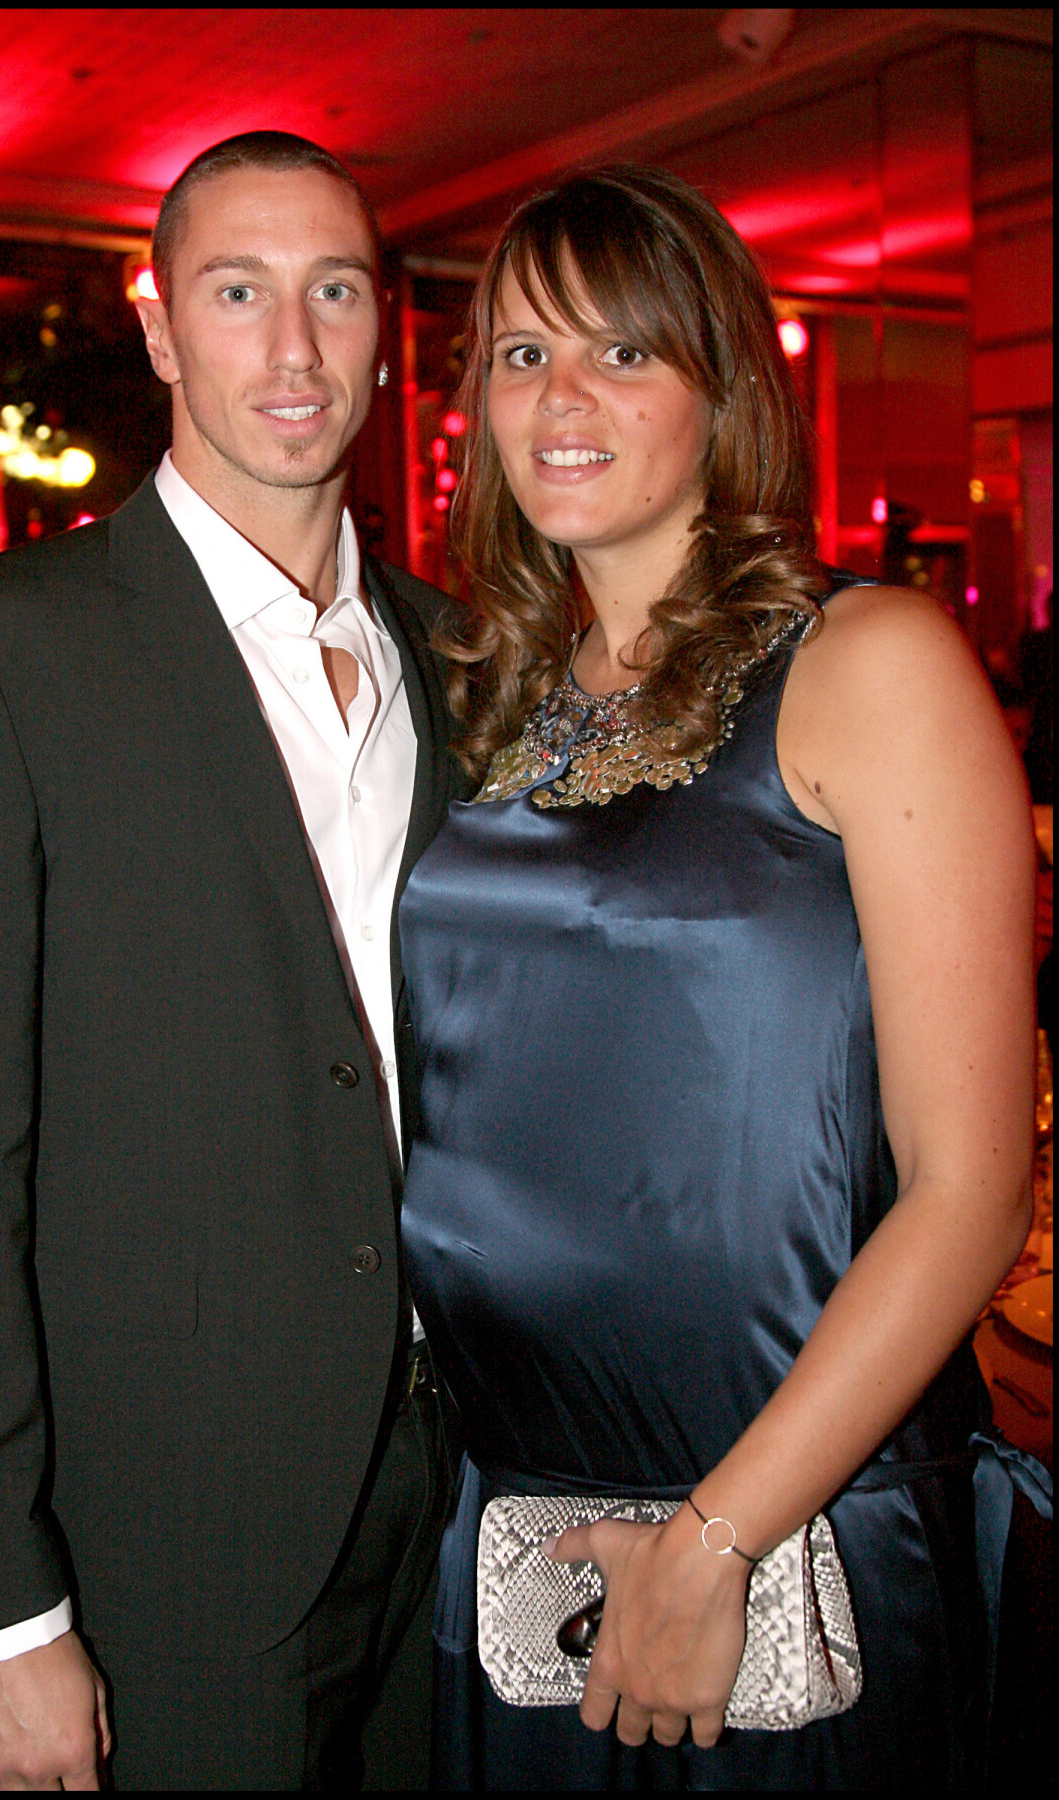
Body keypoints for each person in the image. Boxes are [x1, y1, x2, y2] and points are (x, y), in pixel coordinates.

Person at [397, 165, 1047, 1790]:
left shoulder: (869, 664)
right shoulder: (475, 693)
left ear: (723, 387)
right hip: (509, 1511)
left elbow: (972, 1192)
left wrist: (713, 1542)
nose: (562, 397)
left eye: (625, 353)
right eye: (522, 352)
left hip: (786, 1515)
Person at [0, 130, 463, 1791]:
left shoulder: (454, 653)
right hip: (166, 1547)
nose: (293, 347)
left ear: (381, 326)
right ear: (158, 326)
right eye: (238, 291)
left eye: (333, 290)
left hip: (451, 1506)